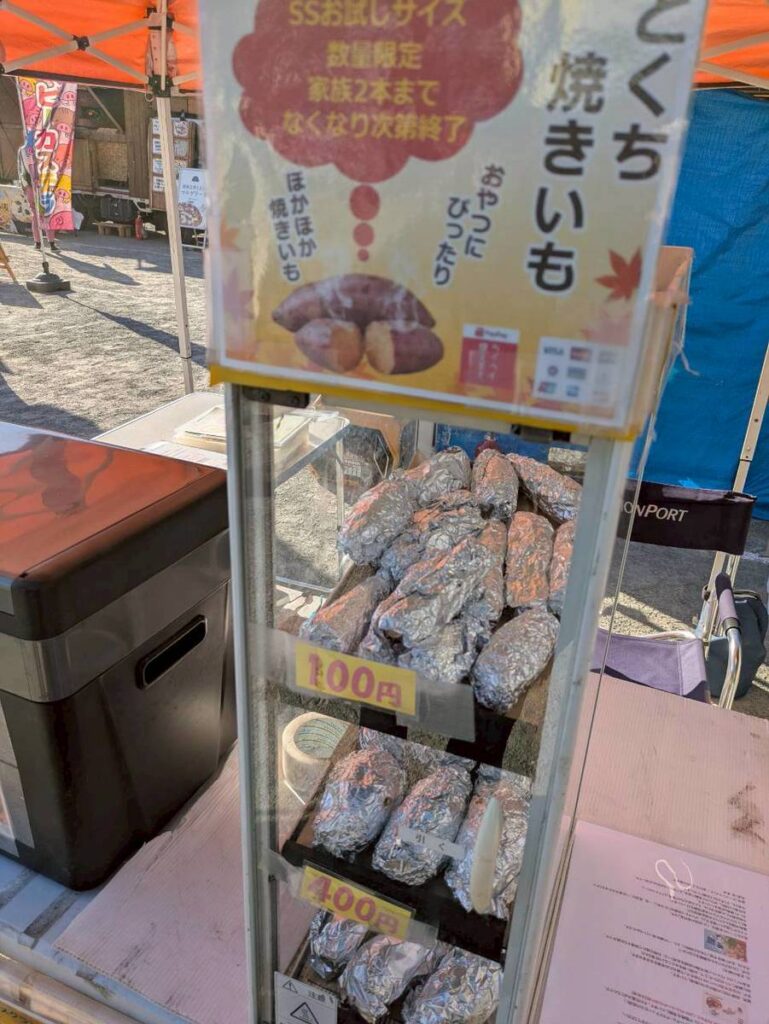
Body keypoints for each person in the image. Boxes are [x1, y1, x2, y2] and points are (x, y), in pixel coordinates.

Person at [17, 144, 59, 252]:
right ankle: (38, 242)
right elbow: (21, 170)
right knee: (35, 214)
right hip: (30, 186)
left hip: (44, 185)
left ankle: (51, 242)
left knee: (46, 213)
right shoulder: (23, 150)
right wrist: (25, 186)